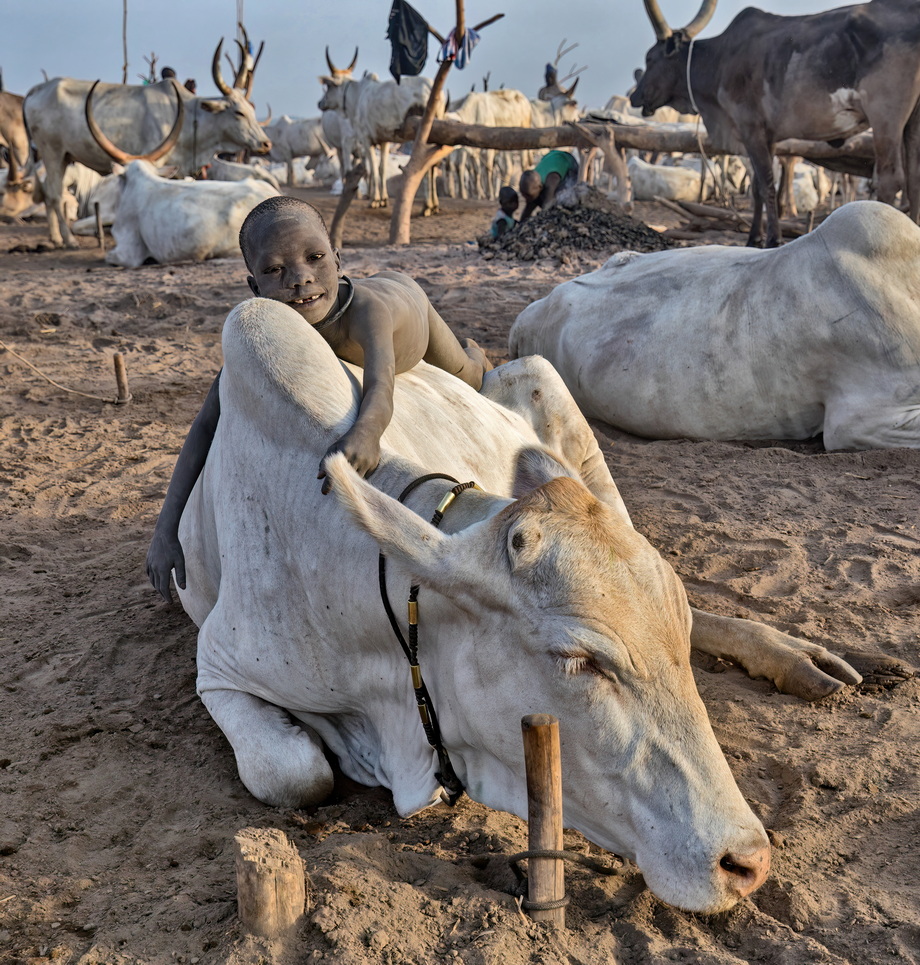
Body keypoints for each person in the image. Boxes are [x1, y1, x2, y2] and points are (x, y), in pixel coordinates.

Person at [146, 195, 492, 602]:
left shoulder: (367, 311)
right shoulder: (272, 333)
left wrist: (367, 433)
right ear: (254, 286)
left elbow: (381, 385)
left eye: (315, 258)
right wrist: (165, 530)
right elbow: (206, 423)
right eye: (276, 269)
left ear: (338, 260)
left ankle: (478, 354)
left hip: (409, 305)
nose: (301, 278)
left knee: (467, 375)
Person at [518, 150, 579, 223]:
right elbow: (528, 209)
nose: (525, 198)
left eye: (528, 195)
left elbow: (547, 208)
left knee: (561, 199)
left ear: (540, 187)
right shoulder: (531, 182)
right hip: (550, 158)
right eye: (523, 194)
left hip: (567, 161)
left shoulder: (551, 181)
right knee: (533, 200)